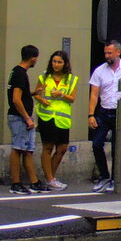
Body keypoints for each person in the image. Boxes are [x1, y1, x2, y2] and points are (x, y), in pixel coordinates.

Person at [88, 40, 121, 192]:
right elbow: (94, 94)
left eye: (110, 53)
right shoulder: (99, 71)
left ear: (118, 52)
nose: (107, 56)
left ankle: (116, 178)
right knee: (97, 144)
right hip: (104, 110)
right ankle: (104, 175)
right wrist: (91, 114)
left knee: (118, 147)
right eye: (105, 53)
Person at [7, 44, 50, 193]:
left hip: (22, 117)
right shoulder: (20, 73)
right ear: (33, 58)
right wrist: (27, 118)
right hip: (20, 118)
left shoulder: (16, 71)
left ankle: (34, 181)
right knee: (18, 149)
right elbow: (16, 99)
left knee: (28, 150)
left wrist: (32, 93)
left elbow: (20, 95)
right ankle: (15, 183)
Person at [33, 50, 78, 190]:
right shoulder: (44, 77)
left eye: (59, 62)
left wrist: (61, 94)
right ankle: (50, 179)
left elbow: (72, 98)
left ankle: (50, 177)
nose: (56, 64)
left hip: (62, 118)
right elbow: (36, 94)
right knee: (48, 147)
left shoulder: (70, 79)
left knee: (62, 148)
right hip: (46, 116)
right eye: (54, 61)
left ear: (65, 64)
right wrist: (42, 99)